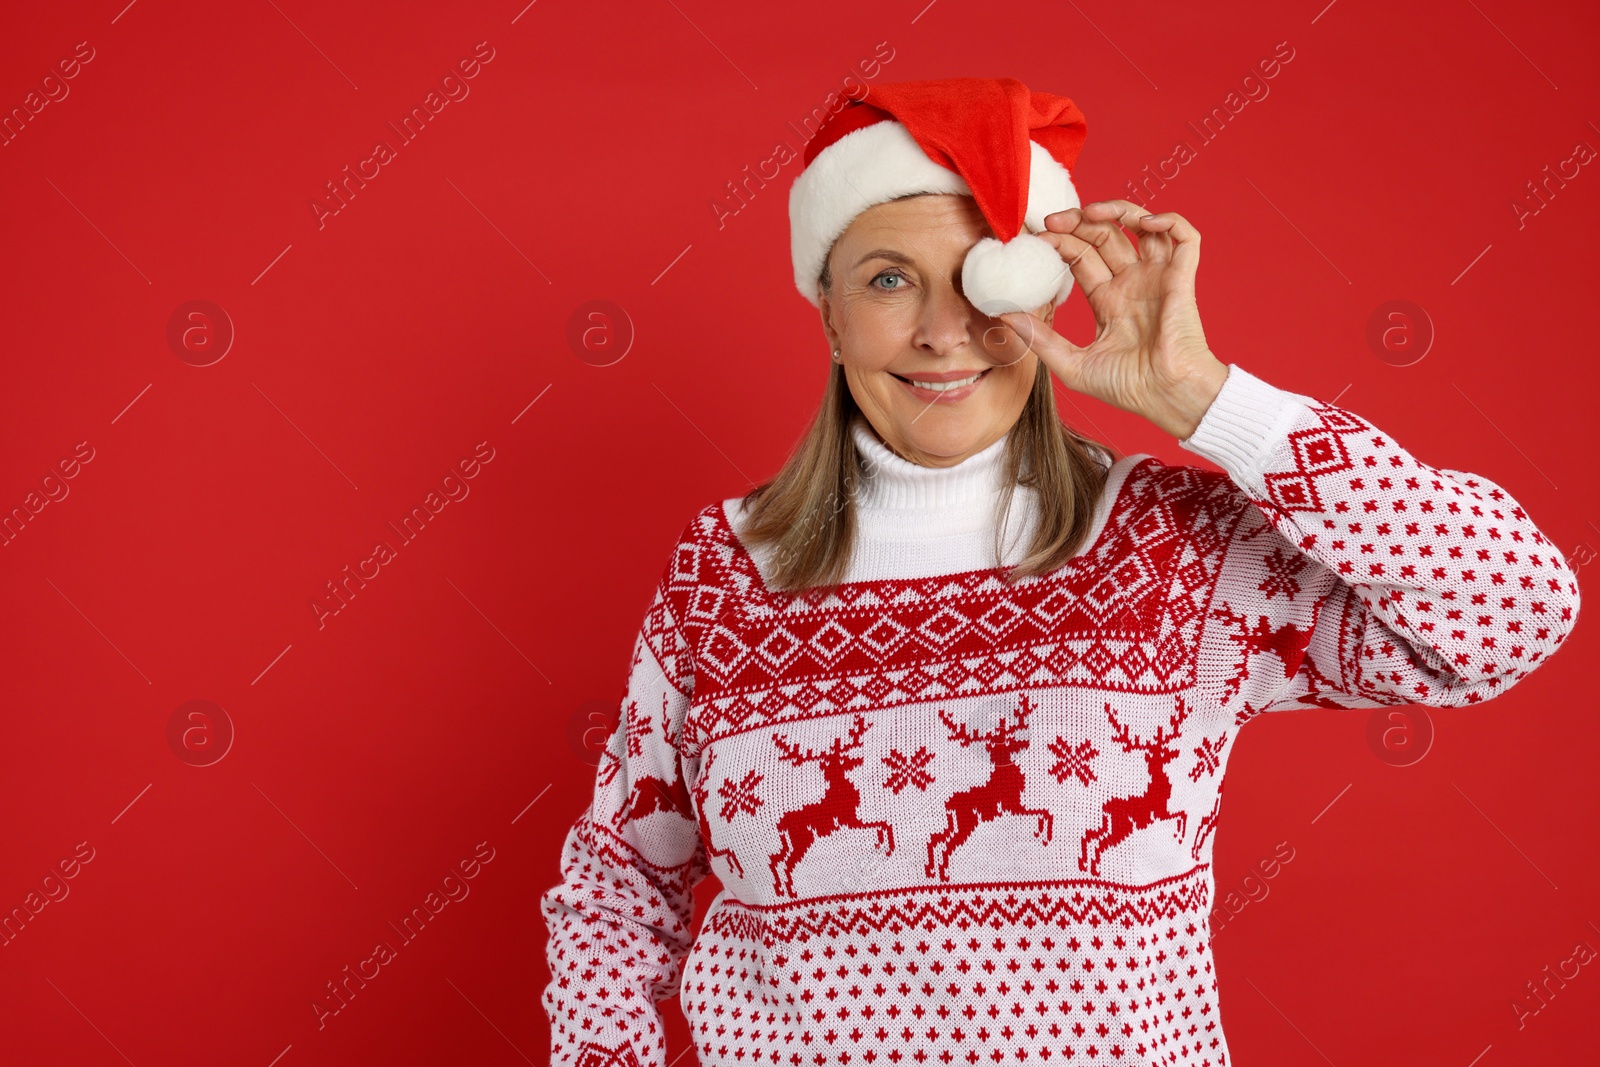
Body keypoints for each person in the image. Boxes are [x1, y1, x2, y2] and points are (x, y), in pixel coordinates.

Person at [539, 77, 1581, 1067]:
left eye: (980, 274)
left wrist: (1209, 401)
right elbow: (617, 888)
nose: (944, 330)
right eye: (888, 278)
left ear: (1042, 294)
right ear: (828, 311)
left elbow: (1507, 609)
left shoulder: (1173, 547)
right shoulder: (721, 574)